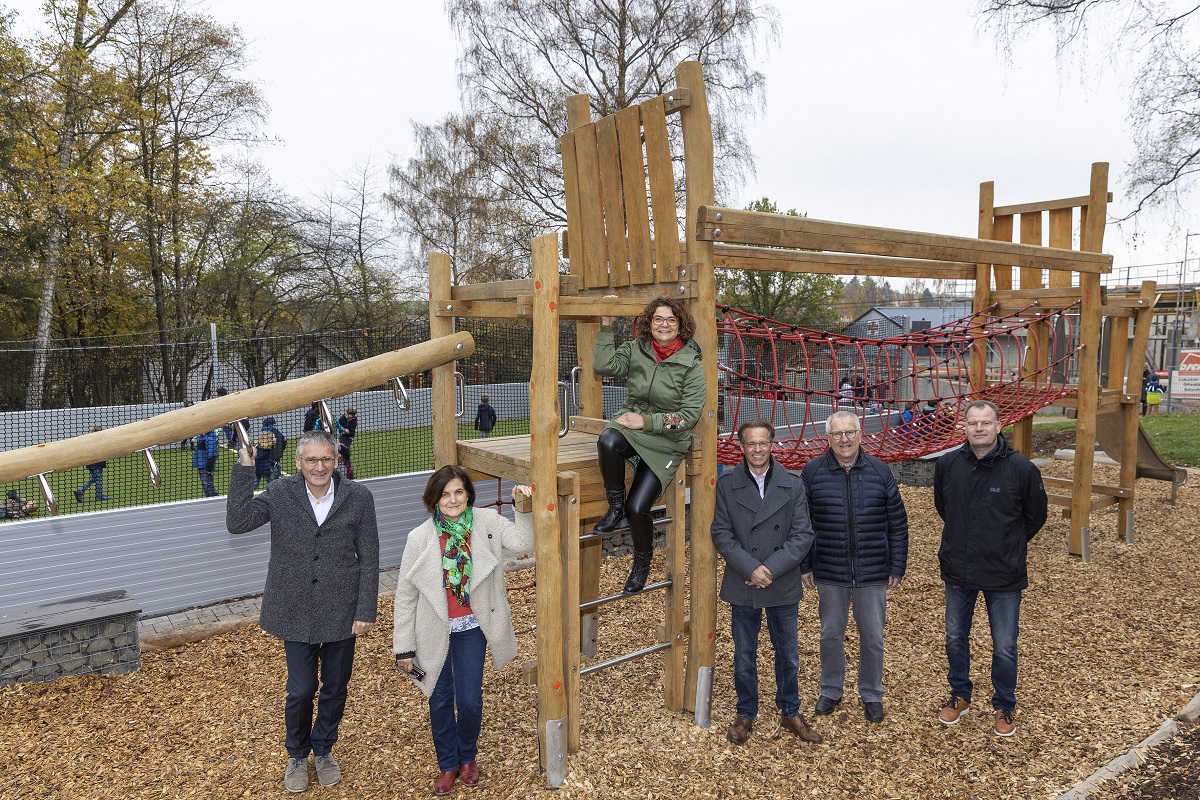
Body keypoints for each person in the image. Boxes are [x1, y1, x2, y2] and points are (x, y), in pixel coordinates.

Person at [227, 430, 379, 792]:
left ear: (336, 460)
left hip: (342, 609)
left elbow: (370, 557)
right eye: (311, 459)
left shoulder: (358, 497)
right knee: (301, 689)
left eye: (326, 458)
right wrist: (244, 469)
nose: (319, 466)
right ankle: (297, 754)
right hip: (293, 608)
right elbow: (238, 522)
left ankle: (323, 750)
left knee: (335, 685)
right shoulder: (281, 493)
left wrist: (365, 610)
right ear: (298, 463)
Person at [392, 466, 533, 795]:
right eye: (444, 494)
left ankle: (467, 756)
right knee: (440, 698)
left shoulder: (487, 524)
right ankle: (448, 764)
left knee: (468, 699)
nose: (452, 500)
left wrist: (521, 504)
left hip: (472, 627)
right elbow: (405, 596)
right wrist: (404, 647)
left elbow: (524, 542)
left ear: (468, 493)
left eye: (458, 492)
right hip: (433, 630)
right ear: (434, 499)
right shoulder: (419, 538)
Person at [934, 399, 1047, 737]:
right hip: (959, 568)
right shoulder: (948, 464)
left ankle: (1004, 704)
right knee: (955, 636)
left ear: (999, 426)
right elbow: (945, 507)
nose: (979, 428)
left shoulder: (1022, 469)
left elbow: (1035, 517)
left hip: (1004, 572)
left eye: (985, 423)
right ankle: (960, 695)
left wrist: (1007, 544)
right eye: (972, 423)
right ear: (964, 427)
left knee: (1005, 643)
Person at [712, 418, 822, 746]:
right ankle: (746, 712)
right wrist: (751, 569)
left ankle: (790, 710)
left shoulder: (792, 482)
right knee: (744, 654)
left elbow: (803, 534)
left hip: (781, 579)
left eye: (763, 443)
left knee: (787, 653)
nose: (757, 449)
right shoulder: (727, 484)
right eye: (751, 443)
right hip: (744, 580)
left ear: (772, 445)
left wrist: (770, 569)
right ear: (742, 447)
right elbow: (720, 532)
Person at [800, 410, 909, 723]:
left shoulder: (879, 471)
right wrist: (805, 564)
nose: (844, 439)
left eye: (849, 433)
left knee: (872, 637)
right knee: (830, 634)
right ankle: (831, 690)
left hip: (872, 569)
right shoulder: (813, 472)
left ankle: (872, 693)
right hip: (830, 569)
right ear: (828, 438)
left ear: (861, 434)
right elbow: (803, 523)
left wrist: (897, 566)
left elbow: (897, 523)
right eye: (837, 434)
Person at [592, 296, 705, 594]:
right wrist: (606, 326)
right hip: (634, 430)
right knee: (608, 439)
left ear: (680, 325)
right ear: (649, 323)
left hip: (666, 441)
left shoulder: (690, 364)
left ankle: (642, 561)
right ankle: (614, 505)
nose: (664, 325)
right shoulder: (636, 349)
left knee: (638, 506)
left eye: (670, 320)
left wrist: (647, 422)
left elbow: (688, 416)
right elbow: (603, 365)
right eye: (658, 319)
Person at [74, 426, 112, 502]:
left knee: (94, 478)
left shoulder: (89, 441)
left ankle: (81, 491)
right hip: (97, 463)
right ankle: (98, 495)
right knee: (98, 479)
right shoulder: (99, 442)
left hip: (90, 462)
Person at [193, 428, 220, 498]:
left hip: (205, 465)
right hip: (201, 464)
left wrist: (209, 468)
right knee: (206, 483)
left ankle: (213, 498)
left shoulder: (209, 439)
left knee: (207, 483)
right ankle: (210, 497)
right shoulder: (202, 437)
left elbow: (212, 454)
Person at [337, 408, 358, 479]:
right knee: (339, 447)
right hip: (343, 435)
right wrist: (342, 430)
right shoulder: (343, 417)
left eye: (348, 414)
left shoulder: (354, 421)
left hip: (348, 437)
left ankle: (343, 457)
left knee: (344, 448)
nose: (346, 415)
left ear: (352, 415)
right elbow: (339, 424)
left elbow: (351, 431)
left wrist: (347, 431)